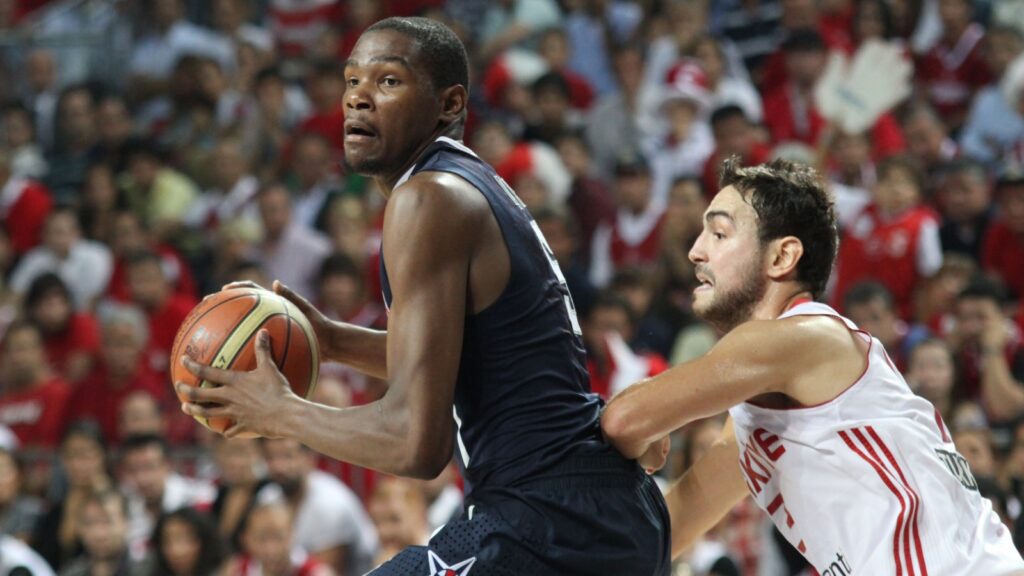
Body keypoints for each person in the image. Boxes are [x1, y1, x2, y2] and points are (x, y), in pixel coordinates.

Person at [177, 16, 670, 575]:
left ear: (449, 102)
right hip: (591, 508)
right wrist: (335, 341)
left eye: (388, 81)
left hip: (547, 517)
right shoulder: (461, 184)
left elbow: (415, 443)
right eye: (351, 81)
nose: (359, 99)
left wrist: (281, 412)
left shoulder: (428, 198)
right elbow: (468, 359)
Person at [600, 157, 1024, 575]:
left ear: (782, 257)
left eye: (719, 233)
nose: (696, 251)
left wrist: (650, 426)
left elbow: (623, 420)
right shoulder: (762, 415)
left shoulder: (806, 338)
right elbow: (675, 523)